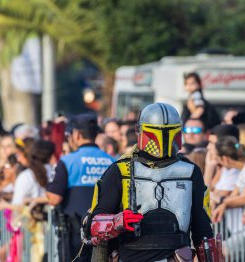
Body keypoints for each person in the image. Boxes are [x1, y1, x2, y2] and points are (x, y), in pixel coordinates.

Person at [86, 103, 213, 262]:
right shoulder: (120, 170)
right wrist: (117, 221)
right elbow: (94, 224)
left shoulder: (190, 171)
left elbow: (203, 232)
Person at [46, 114, 115, 261]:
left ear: (76, 135)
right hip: (105, 235)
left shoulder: (67, 161)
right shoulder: (111, 161)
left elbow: (53, 198)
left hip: (75, 238)